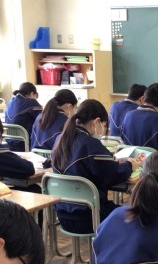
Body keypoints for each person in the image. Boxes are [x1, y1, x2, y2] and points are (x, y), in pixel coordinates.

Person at [52, 99, 143, 234]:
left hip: (63, 215)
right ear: (97, 121)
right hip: (91, 217)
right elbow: (113, 175)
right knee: (136, 214)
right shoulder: (91, 144)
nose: (104, 130)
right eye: (104, 126)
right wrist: (130, 165)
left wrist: (116, 162)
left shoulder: (60, 139)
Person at [5, 82, 43, 151]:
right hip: (24, 143)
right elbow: (43, 117)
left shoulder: (11, 101)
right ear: (32, 94)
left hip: (9, 141)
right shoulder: (32, 102)